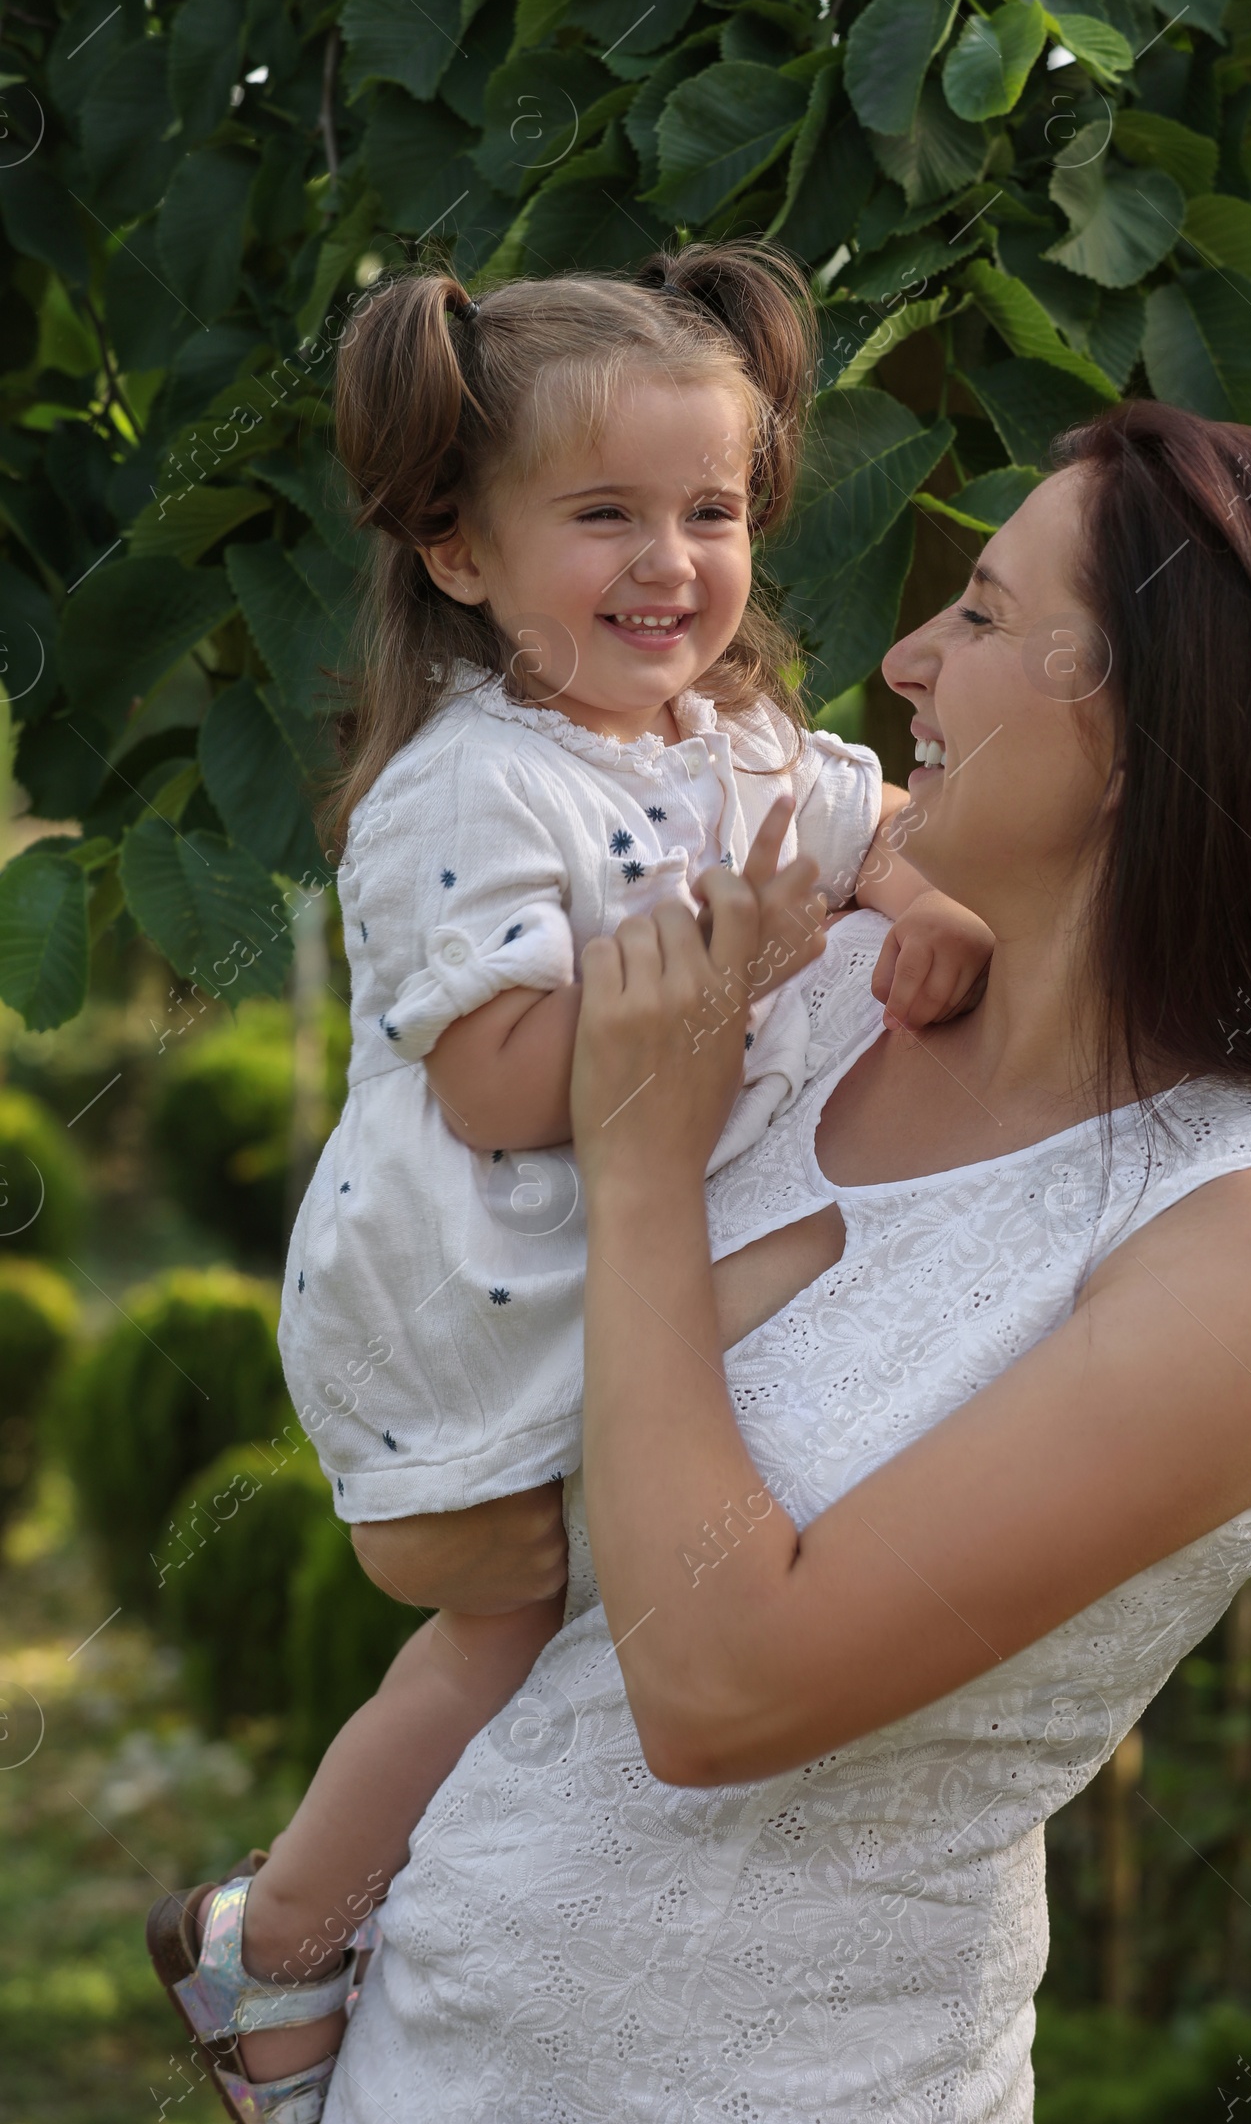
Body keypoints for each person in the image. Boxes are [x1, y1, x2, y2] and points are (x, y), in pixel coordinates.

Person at [314, 400, 1251, 2123]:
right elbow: (480, 1412)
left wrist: (643, 1166)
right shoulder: (813, 1006)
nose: (899, 660)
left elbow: (719, 1692)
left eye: (987, 616)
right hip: (428, 2048)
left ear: (1155, 724)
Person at [146, 244, 993, 2123]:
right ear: (460, 554)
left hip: (615, 1280)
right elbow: (514, 1086)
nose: (670, 563)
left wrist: (919, 912)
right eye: (604, 516)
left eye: (712, 510)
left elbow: (888, 842)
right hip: (464, 1310)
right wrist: (738, 965)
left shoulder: (745, 746)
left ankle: (460, 1955)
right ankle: (269, 1944)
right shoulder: (472, 794)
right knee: (499, 1633)